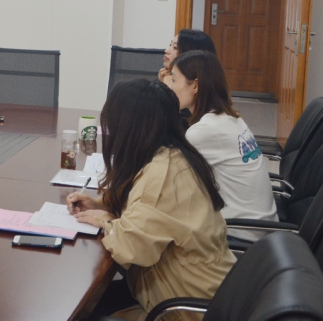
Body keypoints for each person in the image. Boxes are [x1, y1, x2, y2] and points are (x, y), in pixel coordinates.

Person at [67, 80, 235, 321]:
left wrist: (106, 222)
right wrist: (100, 204)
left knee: (79, 308)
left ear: (129, 128)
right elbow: (144, 206)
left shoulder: (163, 173)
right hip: (201, 291)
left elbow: (132, 249)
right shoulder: (172, 155)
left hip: (185, 308)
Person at [167, 50, 278, 237]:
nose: (170, 87)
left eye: (173, 80)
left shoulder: (204, 130)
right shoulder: (230, 118)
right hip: (263, 225)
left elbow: (171, 180)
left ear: (195, 85)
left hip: (241, 232)